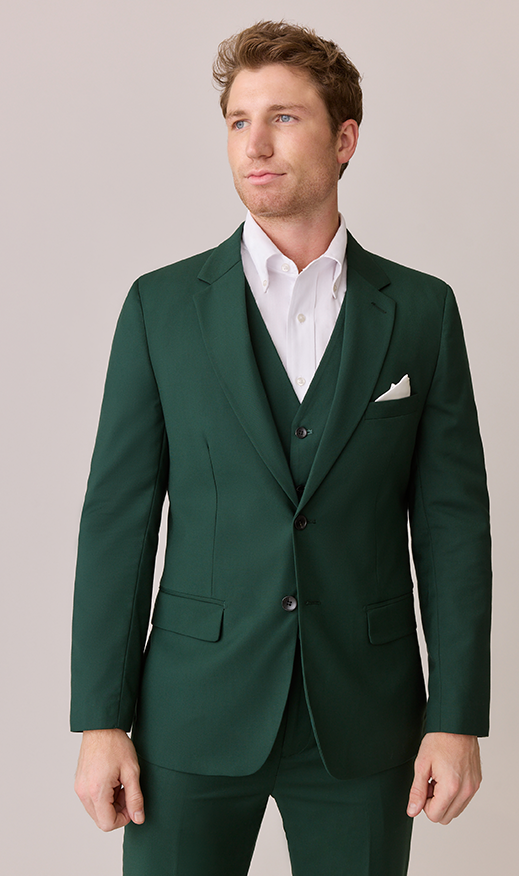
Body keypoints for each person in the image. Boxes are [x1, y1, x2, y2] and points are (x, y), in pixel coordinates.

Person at [71, 20, 492, 876]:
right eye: (238, 121)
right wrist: (100, 720)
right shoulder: (160, 308)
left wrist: (456, 718)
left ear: (345, 140)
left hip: (366, 719)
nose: (254, 144)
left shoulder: (421, 311)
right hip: (191, 712)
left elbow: (453, 526)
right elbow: (118, 520)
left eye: (284, 118)